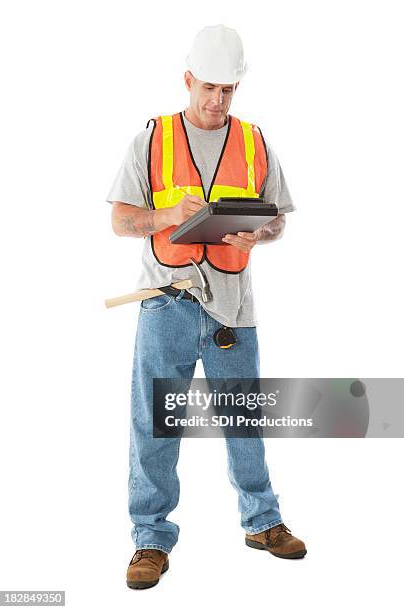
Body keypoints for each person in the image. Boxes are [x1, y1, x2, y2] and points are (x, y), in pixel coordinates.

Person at [106, 24, 307, 590]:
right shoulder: (152, 140)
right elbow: (121, 220)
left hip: (232, 307)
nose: (219, 101)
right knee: (154, 423)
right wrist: (163, 217)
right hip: (165, 304)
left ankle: (262, 522)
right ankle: (149, 539)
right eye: (210, 88)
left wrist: (260, 235)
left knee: (243, 419)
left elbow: (278, 219)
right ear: (188, 79)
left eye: (229, 90)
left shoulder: (255, 140)